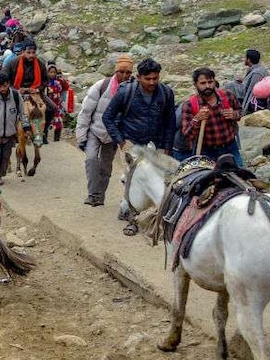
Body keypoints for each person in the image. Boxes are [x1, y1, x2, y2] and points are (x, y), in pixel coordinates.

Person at [102, 58, 176, 235]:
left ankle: (153, 216)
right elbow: (107, 117)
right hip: (131, 142)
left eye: (155, 78)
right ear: (138, 77)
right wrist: (121, 141)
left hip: (156, 143)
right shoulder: (125, 92)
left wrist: (167, 147)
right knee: (134, 179)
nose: (152, 82)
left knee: (157, 180)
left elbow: (170, 122)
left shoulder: (166, 93)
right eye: (147, 79)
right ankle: (132, 219)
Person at [76, 54, 133, 206]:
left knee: (106, 167)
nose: (125, 75)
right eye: (121, 71)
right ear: (115, 71)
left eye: (128, 73)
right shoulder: (101, 86)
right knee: (91, 159)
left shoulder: (131, 92)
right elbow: (86, 111)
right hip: (95, 130)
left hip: (114, 135)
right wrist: (81, 136)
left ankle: (100, 196)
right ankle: (92, 194)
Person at [174, 67, 241, 161]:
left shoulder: (227, 95)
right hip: (207, 152)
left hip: (231, 147)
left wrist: (234, 114)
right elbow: (188, 135)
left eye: (210, 82)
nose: (207, 86)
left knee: (240, 174)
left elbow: (240, 111)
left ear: (214, 82)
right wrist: (197, 119)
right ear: (195, 85)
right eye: (203, 83)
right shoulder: (189, 105)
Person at [43, 62, 73, 144]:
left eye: (54, 72)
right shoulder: (44, 82)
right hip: (47, 106)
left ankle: (57, 140)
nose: (52, 74)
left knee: (58, 123)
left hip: (57, 106)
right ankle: (44, 139)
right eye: (50, 72)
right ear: (47, 72)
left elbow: (65, 88)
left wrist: (61, 100)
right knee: (46, 122)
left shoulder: (59, 81)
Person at [238, 47, 270, 114]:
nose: (244, 60)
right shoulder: (258, 69)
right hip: (247, 93)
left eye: (245, 58)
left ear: (249, 59)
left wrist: (244, 109)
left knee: (230, 86)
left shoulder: (257, 73)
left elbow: (251, 92)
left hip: (253, 101)